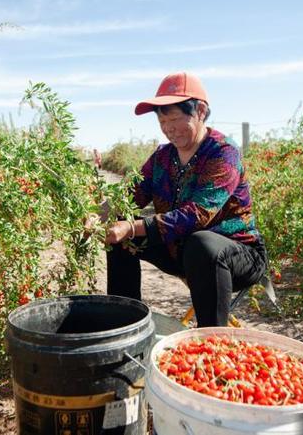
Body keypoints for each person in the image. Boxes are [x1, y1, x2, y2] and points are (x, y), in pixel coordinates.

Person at [105, 72, 268, 327]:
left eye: (175, 118)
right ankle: (124, 324)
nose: (168, 128)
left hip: (235, 255)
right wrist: (99, 213)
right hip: (179, 249)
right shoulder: (162, 157)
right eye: (162, 120)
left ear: (200, 111)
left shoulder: (223, 152)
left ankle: (211, 340)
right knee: (120, 234)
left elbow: (197, 215)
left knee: (200, 243)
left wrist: (133, 227)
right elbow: (130, 197)